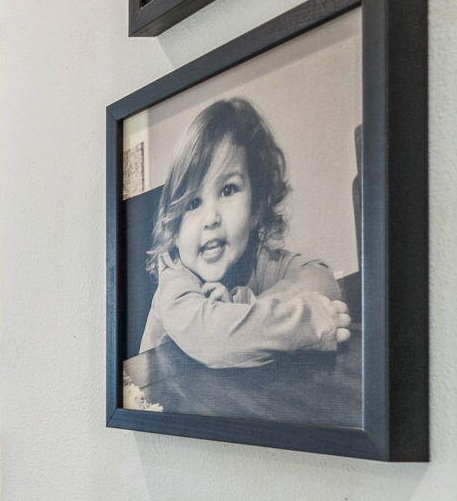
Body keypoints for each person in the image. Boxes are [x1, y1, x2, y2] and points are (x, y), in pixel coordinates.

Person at [139, 97, 352, 369]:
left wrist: (247, 308)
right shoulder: (175, 281)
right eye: (193, 203)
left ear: (255, 207)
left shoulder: (255, 258)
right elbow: (214, 340)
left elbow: (322, 280)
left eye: (228, 190)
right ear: (175, 232)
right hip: (161, 403)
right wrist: (306, 322)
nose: (211, 218)